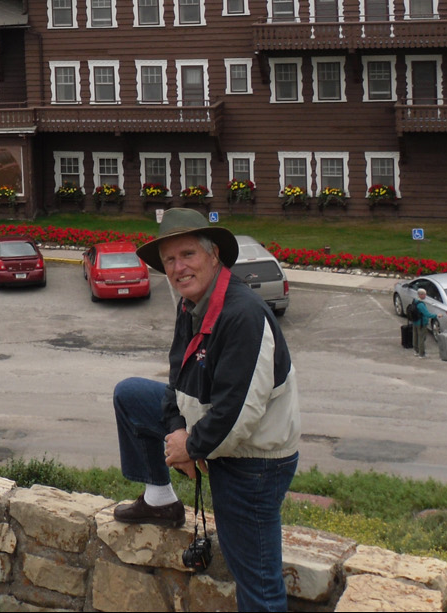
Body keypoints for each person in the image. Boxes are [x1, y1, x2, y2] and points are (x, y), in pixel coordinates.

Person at [111, 210, 300, 612]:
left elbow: (239, 413)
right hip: (216, 438)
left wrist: (193, 447)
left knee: (257, 581)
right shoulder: (192, 305)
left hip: (254, 459)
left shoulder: (243, 315)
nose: (179, 268)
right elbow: (176, 381)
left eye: (188, 254)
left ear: (214, 257)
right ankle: (160, 499)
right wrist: (179, 434)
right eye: (170, 261)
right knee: (130, 396)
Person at [410, 288, 438, 357]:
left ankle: (416, 351)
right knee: (421, 338)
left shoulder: (414, 301)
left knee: (415, 336)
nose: (425, 296)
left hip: (415, 322)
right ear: (420, 295)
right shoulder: (421, 304)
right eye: (424, 294)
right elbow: (427, 314)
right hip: (421, 323)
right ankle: (421, 353)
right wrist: (436, 315)